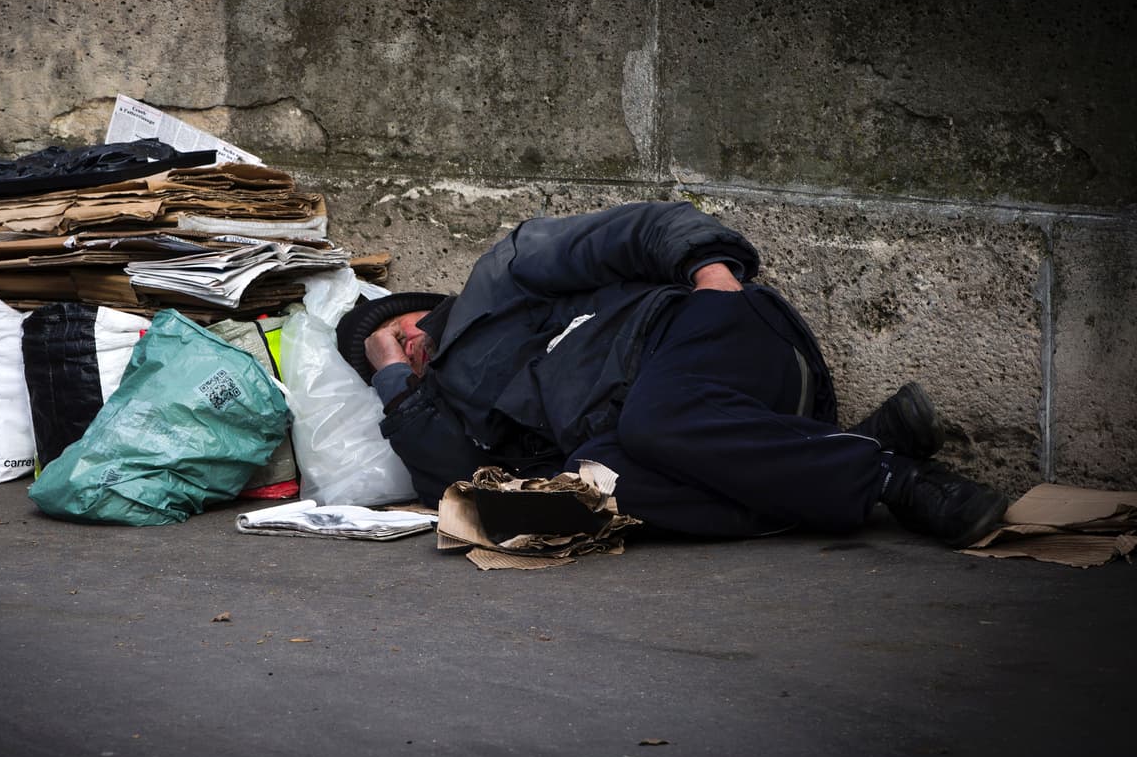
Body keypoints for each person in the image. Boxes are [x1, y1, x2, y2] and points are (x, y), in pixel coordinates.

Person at [335, 201, 1008, 548]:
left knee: (653, 416)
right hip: (699, 433)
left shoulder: (500, 277)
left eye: (399, 329)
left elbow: (634, 229)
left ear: (421, 309)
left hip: (706, 334)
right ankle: (855, 453)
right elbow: (451, 484)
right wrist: (395, 382)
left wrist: (711, 267)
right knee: (575, 496)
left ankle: (895, 479)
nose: (407, 344)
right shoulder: (451, 406)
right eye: (389, 353)